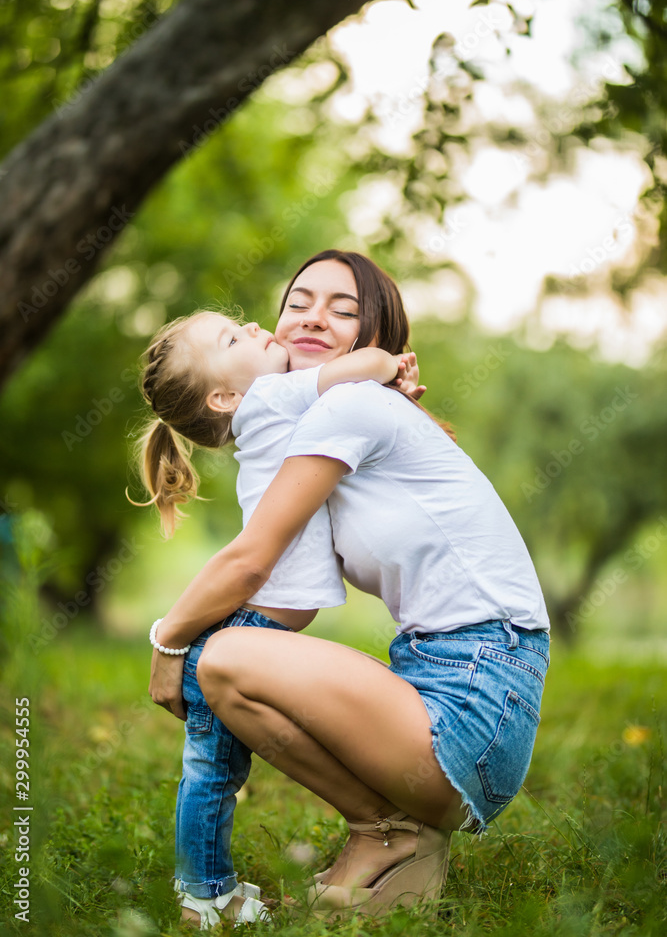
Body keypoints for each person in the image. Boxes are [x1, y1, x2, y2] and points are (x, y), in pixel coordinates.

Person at [149, 250, 550, 918]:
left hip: (480, 694)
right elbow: (288, 600)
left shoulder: (349, 410)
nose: (312, 317)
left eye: (343, 310)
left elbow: (251, 562)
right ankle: (400, 834)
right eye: (298, 302)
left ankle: (382, 828)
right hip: (450, 683)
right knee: (231, 660)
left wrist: (169, 645)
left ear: (372, 337)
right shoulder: (317, 421)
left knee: (221, 658)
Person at [134, 277, 421, 927]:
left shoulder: (260, 409)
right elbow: (367, 364)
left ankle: (204, 887)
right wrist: (388, 366)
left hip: (248, 629)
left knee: (211, 773)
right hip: (248, 627)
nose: (261, 329)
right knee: (211, 775)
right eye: (234, 337)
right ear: (226, 397)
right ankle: (203, 895)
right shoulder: (269, 399)